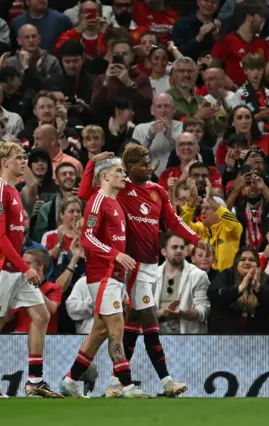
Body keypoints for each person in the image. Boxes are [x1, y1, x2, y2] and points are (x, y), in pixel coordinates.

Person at [77, 146, 205, 397]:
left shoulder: (157, 191)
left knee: (131, 324)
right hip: (128, 266)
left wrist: (194, 237)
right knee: (148, 320)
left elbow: (172, 221)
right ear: (129, 167)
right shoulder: (119, 189)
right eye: (143, 164)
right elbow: (85, 193)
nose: (149, 168)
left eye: (149, 163)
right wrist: (92, 164)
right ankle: (166, 381)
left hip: (149, 265)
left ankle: (113, 382)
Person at [60, 156, 148, 398]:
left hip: (115, 276)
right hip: (102, 275)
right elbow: (87, 238)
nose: (124, 175)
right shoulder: (98, 200)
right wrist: (116, 255)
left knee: (99, 331)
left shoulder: (115, 202)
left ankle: (69, 380)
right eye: (119, 171)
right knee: (116, 327)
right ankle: (125, 384)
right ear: (105, 177)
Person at [0, 141, 60, 398]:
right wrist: (25, 266)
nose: (23, 161)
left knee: (41, 314)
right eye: (18, 157)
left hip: (15, 266)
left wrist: (22, 265)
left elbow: (14, 236)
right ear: (5, 162)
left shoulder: (15, 191)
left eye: (24, 157)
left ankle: (34, 380)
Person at [208, 247, 269, 334]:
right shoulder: (226, 276)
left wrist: (258, 289)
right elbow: (214, 296)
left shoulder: (265, 279)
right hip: (225, 334)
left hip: (257, 335)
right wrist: (239, 289)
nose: (247, 262)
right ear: (236, 263)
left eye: (252, 260)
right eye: (242, 259)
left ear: (257, 265)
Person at [151, 232, 210, 335]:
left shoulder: (198, 275)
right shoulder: (152, 276)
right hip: (158, 336)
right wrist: (160, 313)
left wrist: (182, 314)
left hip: (188, 339)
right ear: (164, 252)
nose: (179, 250)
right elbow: (142, 313)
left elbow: (204, 311)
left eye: (182, 247)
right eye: (174, 247)